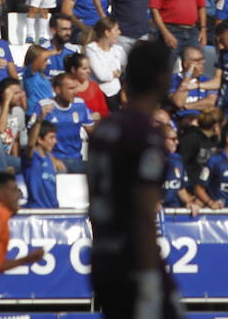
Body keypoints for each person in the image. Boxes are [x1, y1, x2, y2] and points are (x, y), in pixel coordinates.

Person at [88, 39, 181, 319]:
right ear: (161, 78)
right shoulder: (144, 134)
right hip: (133, 264)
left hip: (103, 258)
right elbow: (142, 212)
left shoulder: (105, 129)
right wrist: (150, 276)